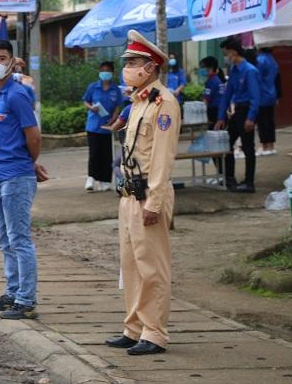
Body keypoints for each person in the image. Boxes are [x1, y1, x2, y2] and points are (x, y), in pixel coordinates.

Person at [105, 29, 180, 356]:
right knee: (132, 265)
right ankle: (134, 327)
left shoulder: (165, 103)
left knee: (152, 267)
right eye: (127, 62)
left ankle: (154, 333)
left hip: (149, 193)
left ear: (150, 67)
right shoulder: (138, 101)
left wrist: (155, 201)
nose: (127, 68)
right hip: (129, 193)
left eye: (133, 62)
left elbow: (163, 157)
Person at [0, 40, 49, 321]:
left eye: (1, 58)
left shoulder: (17, 95)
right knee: (4, 239)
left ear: (11, 62)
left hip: (16, 176)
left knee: (19, 239)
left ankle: (26, 299)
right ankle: (12, 292)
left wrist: (29, 163)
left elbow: (33, 136)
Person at [215, 37, 260, 193]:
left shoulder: (250, 71)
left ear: (233, 52)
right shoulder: (234, 70)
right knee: (227, 143)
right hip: (238, 112)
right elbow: (227, 95)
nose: (226, 57)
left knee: (248, 147)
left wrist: (251, 118)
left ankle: (249, 182)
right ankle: (230, 177)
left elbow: (255, 97)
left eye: (226, 54)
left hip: (247, 110)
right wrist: (221, 117)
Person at [82, 62, 122, 192]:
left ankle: (105, 181)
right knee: (94, 153)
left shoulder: (115, 90)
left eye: (108, 70)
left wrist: (114, 118)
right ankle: (91, 178)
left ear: (112, 73)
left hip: (108, 127)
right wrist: (91, 108)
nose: (105, 73)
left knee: (106, 155)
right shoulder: (93, 87)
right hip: (93, 126)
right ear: (99, 72)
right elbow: (85, 101)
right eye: (103, 70)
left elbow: (117, 106)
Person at [199, 56, 226, 173]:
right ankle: (220, 174)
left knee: (214, 146)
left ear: (210, 68)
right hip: (219, 113)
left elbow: (205, 101)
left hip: (214, 114)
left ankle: (220, 174)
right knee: (217, 145)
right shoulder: (217, 80)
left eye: (203, 68)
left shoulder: (211, 82)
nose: (201, 70)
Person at [256, 47, 279, 156]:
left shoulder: (260, 60)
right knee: (270, 120)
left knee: (262, 121)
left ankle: (265, 146)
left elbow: (257, 77)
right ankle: (271, 145)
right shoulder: (272, 60)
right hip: (272, 93)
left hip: (262, 95)